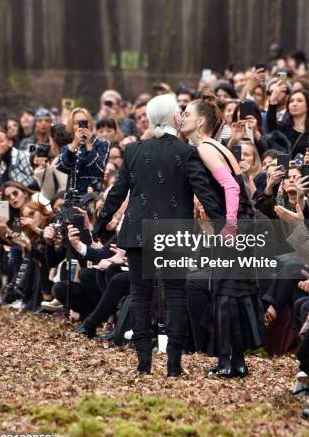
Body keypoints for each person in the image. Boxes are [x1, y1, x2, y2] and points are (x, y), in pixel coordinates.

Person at [94, 93, 223, 377]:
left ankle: (144, 363)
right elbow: (204, 192)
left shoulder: (135, 151)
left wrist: (100, 223)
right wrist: (224, 222)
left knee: (140, 296)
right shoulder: (186, 152)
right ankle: (173, 364)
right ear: (173, 117)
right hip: (173, 233)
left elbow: (118, 192)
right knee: (175, 296)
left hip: (138, 232)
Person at [181, 90, 265, 377]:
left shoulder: (205, 148)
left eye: (187, 114)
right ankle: (235, 361)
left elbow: (231, 187)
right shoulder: (218, 146)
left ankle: (228, 363)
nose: (182, 118)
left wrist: (229, 226)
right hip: (244, 221)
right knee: (232, 293)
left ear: (202, 121)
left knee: (226, 295)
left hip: (234, 225)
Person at [56, 107, 109, 195]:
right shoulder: (68, 147)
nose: (81, 126)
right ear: (72, 126)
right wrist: (74, 144)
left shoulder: (102, 144)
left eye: (84, 122)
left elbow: (99, 170)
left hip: (93, 198)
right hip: (71, 198)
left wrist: (89, 144)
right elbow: (62, 167)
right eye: (77, 123)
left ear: (90, 124)